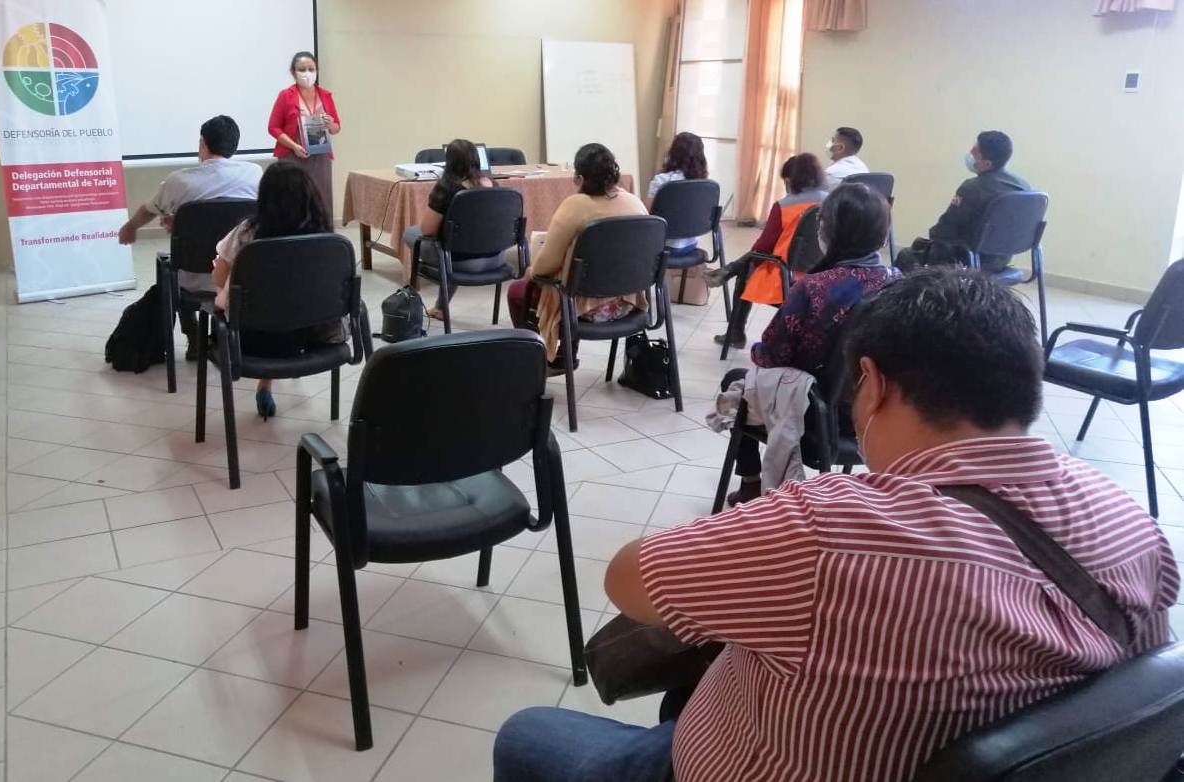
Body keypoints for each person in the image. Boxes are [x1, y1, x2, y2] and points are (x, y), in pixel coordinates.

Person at [494, 268, 1179, 782]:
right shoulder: (1132, 525)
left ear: (872, 384)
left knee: (528, 734)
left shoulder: (830, 528)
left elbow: (627, 579)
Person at [718, 182, 895, 505]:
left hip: (819, 416)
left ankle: (751, 484)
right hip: (882, 414)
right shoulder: (898, 285)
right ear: (883, 234)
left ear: (827, 230)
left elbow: (771, 354)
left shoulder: (813, 288)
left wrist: (759, 353)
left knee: (736, 381)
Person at [117, 115, 261, 358]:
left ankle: (193, 334)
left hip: (194, 279)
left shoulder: (179, 181)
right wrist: (184, 222)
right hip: (239, 277)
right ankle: (221, 333)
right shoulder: (255, 174)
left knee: (172, 266)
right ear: (235, 145)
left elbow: (148, 211)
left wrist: (130, 227)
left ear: (203, 143)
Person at [210, 161, 342, 419]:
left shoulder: (246, 234)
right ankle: (266, 384)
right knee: (288, 301)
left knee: (247, 299)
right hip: (315, 335)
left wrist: (221, 272)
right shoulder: (327, 239)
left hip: (254, 340)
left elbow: (218, 276)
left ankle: (266, 382)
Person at [506, 143, 647, 371]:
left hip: (581, 311)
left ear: (579, 178)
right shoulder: (635, 203)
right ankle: (564, 354)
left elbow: (543, 268)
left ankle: (534, 363)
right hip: (628, 305)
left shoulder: (575, 206)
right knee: (577, 278)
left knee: (519, 290)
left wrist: (532, 270)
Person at [703, 153, 830, 349]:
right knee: (751, 262)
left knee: (747, 272)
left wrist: (747, 264)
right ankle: (730, 269)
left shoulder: (784, 206)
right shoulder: (833, 202)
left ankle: (736, 332)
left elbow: (764, 247)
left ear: (789, 181)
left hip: (787, 278)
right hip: (825, 277)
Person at [401, 138, 507, 321]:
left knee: (413, 234)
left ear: (449, 163)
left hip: (460, 263)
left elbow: (427, 230)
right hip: (496, 259)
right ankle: (441, 308)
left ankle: (420, 302)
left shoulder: (447, 188)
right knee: (452, 244)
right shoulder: (494, 186)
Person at [895, 130, 1030, 273]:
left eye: (975, 151)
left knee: (906, 256)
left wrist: (931, 238)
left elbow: (943, 231)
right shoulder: (1024, 187)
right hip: (1001, 260)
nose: (970, 152)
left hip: (967, 260)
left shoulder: (972, 188)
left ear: (987, 163)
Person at [267, 51, 341, 218]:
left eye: (311, 68)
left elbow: (337, 127)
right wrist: (294, 146)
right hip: (293, 155)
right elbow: (273, 127)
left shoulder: (325, 95)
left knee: (321, 199)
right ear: (293, 72)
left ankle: (323, 237)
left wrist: (331, 125)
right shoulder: (286, 96)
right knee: (293, 200)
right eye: (302, 69)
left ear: (317, 70)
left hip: (321, 155)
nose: (307, 73)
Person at [647, 131, 709, 255]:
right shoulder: (706, 185)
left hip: (663, 247)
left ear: (672, 153)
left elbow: (648, 215)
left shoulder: (661, 181)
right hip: (691, 244)